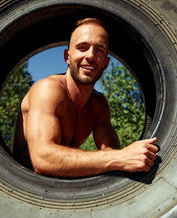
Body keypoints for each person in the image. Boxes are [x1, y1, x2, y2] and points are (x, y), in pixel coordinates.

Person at [12, 18, 158, 178]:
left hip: (65, 190)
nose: (90, 56)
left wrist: (132, 157)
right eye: (82, 48)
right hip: (22, 188)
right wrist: (121, 157)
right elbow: (43, 159)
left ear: (106, 63)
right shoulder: (48, 89)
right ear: (67, 56)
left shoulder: (98, 105)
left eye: (99, 50)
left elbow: (112, 154)